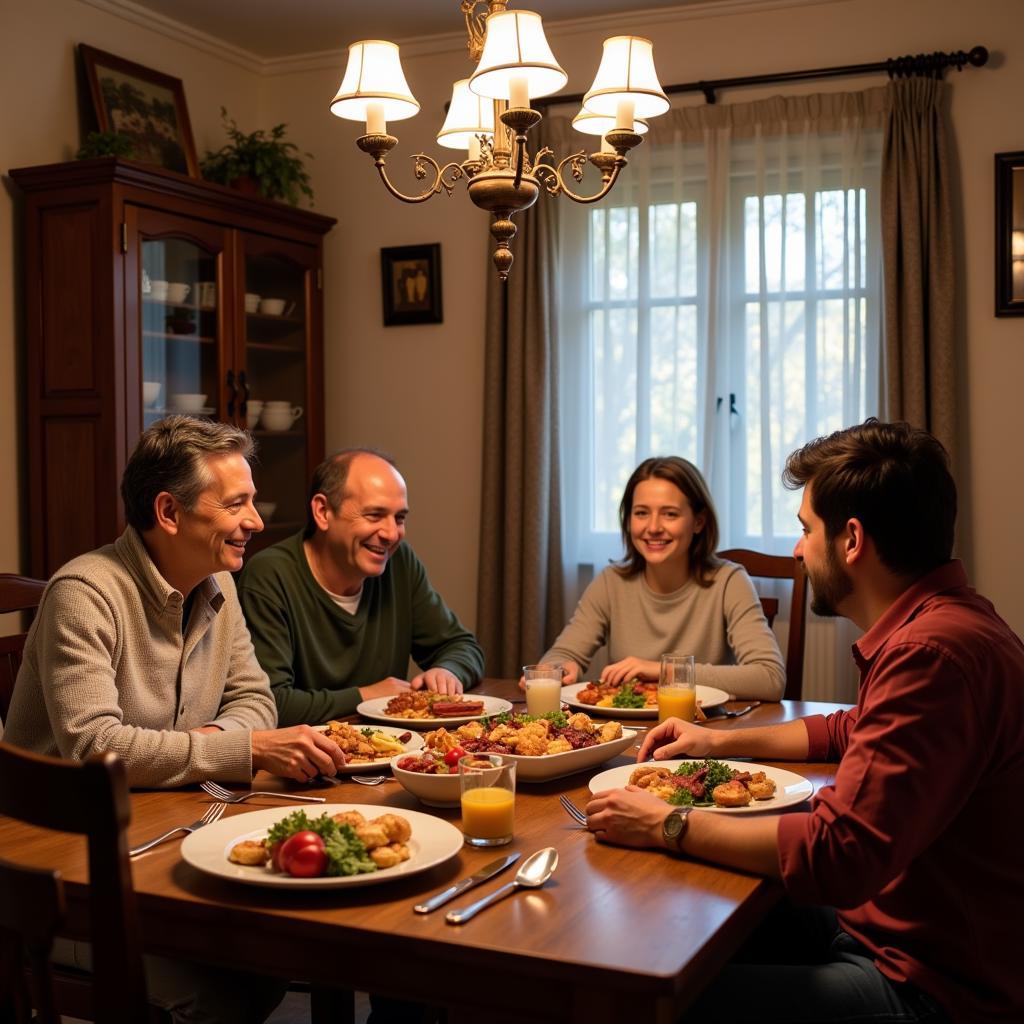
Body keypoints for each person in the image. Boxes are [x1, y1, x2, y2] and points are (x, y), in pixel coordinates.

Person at [585, 420, 1024, 1023]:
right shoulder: (943, 624)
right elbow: (847, 729)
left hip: (928, 984)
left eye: (804, 529)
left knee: (643, 998)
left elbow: (837, 854)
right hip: (888, 925)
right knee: (678, 916)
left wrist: (669, 823)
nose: (796, 550)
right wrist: (718, 738)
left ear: (852, 540)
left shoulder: (932, 654)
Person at [3, 415, 352, 1024]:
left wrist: (208, 742)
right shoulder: (84, 594)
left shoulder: (219, 581)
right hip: (59, 878)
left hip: (162, 827)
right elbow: (97, 750)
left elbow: (255, 699)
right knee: (225, 990)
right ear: (169, 512)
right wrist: (240, 750)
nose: (258, 522)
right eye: (237, 504)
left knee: (269, 962)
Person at [237, 447, 485, 726]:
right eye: (374, 515)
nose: (391, 534)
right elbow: (270, 703)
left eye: (399, 518)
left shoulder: (400, 562)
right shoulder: (270, 576)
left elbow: (463, 646)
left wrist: (447, 671)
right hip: (305, 759)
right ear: (323, 511)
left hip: (391, 752)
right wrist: (367, 695)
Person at [537, 456, 784, 700]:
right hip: (628, 732)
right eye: (641, 513)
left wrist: (662, 670)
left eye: (670, 514)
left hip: (706, 731)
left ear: (698, 521)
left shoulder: (730, 581)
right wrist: (557, 668)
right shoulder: (610, 582)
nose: (653, 527)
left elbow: (769, 678)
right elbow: (563, 654)